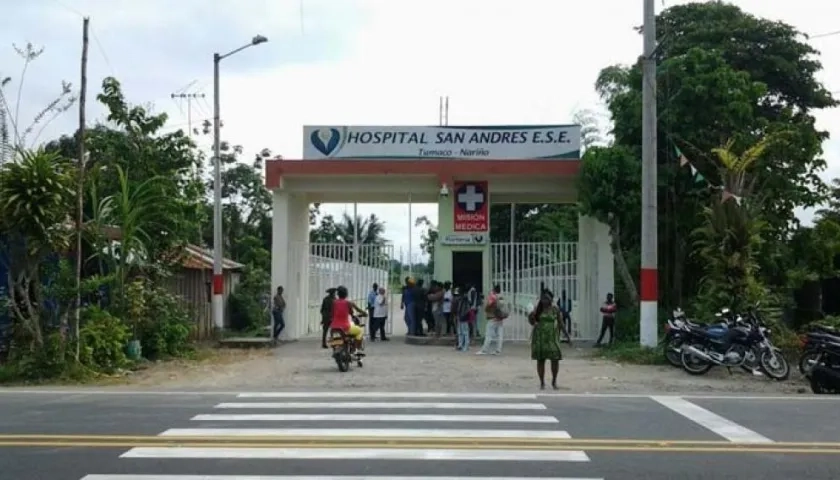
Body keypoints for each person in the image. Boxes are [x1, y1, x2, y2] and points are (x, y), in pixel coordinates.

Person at [529, 289, 571, 390]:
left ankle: (554, 381)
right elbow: (531, 321)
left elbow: (561, 323)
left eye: (547, 298)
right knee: (541, 360)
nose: (545, 301)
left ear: (551, 299)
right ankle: (542, 382)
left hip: (552, 337)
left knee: (555, 359)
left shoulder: (555, 309)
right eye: (543, 298)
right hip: (540, 338)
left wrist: (567, 336)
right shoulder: (538, 309)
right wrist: (531, 317)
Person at [330, 285, 367, 350]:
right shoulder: (348, 303)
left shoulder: (333, 303)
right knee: (360, 330)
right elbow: (354, 311)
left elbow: (332, 314)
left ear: (338, 294)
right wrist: (364, 313)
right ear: (346, 294)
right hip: (345, 327)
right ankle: (357, 346)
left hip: (334, 327)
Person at [477, 284, 506, 355]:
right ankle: (498, 350)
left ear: (494, 290)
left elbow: (488, 305)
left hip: (492, 318)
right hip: (500, 318)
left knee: (488, 335)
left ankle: (484, 350)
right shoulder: (501, 296)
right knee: (500, 335)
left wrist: (486, 308)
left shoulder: (493, 296)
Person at [454, 287, 473, 352]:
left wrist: (462, 315)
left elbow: (466, 309)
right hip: (460, 316)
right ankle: (460, 345)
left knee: (464, 332)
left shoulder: (464, 299)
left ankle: (466, 346)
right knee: (460, 332)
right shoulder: (461, 299)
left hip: (463, 317)